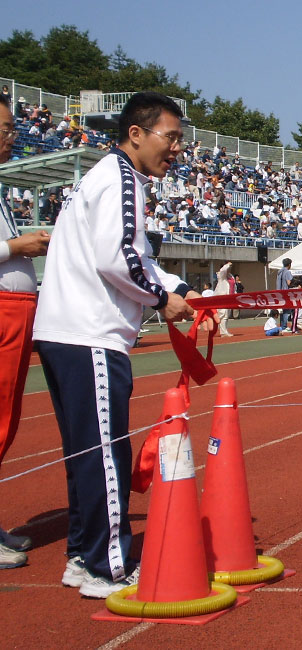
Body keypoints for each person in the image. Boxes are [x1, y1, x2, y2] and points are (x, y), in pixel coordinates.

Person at [33, 92, 206, 599]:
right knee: (106, 453)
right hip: (89, 334)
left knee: (86, 453)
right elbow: (118, 258)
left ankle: (84, 558)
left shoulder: (105, 177)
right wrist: (161, 300)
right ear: (137, 133)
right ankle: (108, 565)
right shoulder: (121, 178)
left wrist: (177, 288)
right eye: (170, 137)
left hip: (66, 332)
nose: (176, 148)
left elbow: (131, 254)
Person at [0, 97, 51, 569]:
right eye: (4, 127)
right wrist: (16, 246)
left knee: (6, 421)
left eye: (13, 127)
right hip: (2, 312)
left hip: (15, 313)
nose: (12, 136)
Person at [214, 261, 235, 337]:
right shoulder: (221, 276)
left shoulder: (231, 276)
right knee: (223, 314)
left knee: (227, 314)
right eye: (228, 268)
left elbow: (233, 287)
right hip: (222, 297)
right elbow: (222, 270)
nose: (229, 269)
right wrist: (227, 265)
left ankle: (223, 330)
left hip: (230, 297)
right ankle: (223, 332)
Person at [276, 257, 293, 329]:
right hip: (286, 293)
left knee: (282, 311)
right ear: (289, 264)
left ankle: (282, 325)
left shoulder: (279, 272)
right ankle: (284, 326)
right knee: (287, 310)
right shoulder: (287, 272)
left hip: (279, 293)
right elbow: (289, 283)